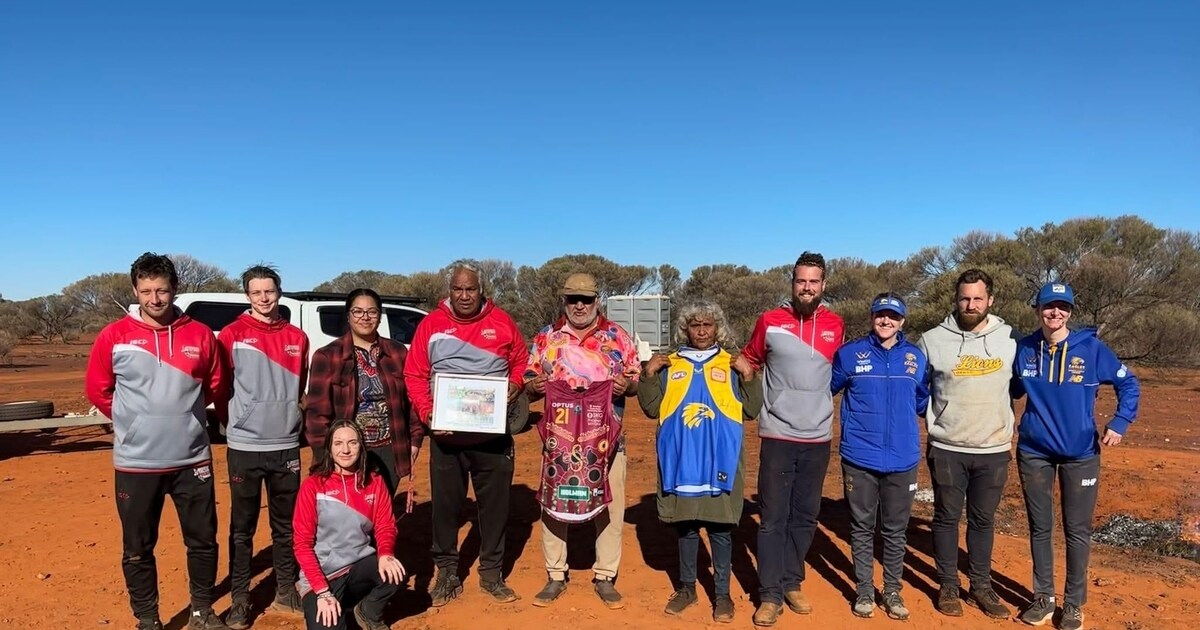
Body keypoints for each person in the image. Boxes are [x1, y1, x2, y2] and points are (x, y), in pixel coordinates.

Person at [85, 252, 229, 630]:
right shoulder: (113, 336)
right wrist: (133, 423)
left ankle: (201, 610)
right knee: (137, 548)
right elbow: (98, 389)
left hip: (192, 459)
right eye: (146, 290)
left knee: (203, 541)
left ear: (175, 290)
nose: (154, 299)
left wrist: (184, 419)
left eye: (162, 290)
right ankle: (147, 620)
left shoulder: (199, 334)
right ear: (135, 290)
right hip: (136, 462)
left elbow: (215, 386)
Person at [1012, 282, 1140, 630]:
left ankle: (1073, 604)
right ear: (1037, 309)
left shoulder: (1092, 349)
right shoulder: (1024, 349)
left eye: (1062, 307)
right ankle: (1043, 598)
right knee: (1040, 527)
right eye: (1049, 306)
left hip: (1080, 453)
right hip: (1034, 452)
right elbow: (1010, 388)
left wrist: (1120, 421)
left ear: (1070, 311)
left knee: (1077, 529)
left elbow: (1128, 384)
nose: (1055, 313)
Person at [403, 261, 529, 606]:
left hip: (493, 437)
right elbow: (414, 375)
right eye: (457, 289)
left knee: (495, 510)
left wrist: (516, 384)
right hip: (447, 438)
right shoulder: (432, 324)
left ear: (481, 290)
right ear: (449, 290)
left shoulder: (502, 321)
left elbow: (521, 361)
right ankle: (446, 574)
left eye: (470, 289)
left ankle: (491, 574)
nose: (463, 295)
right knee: (445, 510)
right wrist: (429, 415)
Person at [732, 251, 844, 627]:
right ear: (792, 283)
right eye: (801, 281)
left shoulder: (836, 325)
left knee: (805, 516)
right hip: (778, 433)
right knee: (773, 517)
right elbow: (749, 358)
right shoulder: (770, 321)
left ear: (823, 285)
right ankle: (770, 594)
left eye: (814, 281)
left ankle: (792, 580)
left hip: (818, 435)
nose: (807, 287)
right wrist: (742, 371)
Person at [637, 300, 762, 624]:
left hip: (719, 461)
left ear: (717, 327)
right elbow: (651, 408)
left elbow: (751, 410)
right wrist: (649, 374)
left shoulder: (732, 363)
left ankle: (722, 595)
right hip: (681, 463)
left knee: (721, 531)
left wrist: (749, 377)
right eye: (695, 325)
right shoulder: (670, 365)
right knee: (687, 528)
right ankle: (687, 588)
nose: (702, 331)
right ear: (686, 329)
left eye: (708, 324)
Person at [525, 272, 640, 609]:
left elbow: (634, 379)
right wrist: (536, 386)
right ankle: (555, 574)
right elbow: (529, 379)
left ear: (596, 300)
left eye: (585, 299)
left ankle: (605, 575)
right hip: (559, 442)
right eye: (572, 299)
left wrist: (625, 387)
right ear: (563, 300)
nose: (579, 305)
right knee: (553, 505)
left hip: (607, 440)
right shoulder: (547, 338)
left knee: (610, 504)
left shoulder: (616, 336)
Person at [916, 268, 1019, 619]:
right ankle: (947, 585)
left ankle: (980, 586)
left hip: (992, 448)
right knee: (945, 518)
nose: (971, 304)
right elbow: (917, 389)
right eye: (964, 298)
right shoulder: (932, 340)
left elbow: (1018, 387)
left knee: (983, 520)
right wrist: (936, 417)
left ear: (990, 299)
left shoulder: (1010, 339)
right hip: (947, 446)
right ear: (955, 299)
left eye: (978, 298)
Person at [216, 264, 309, 628]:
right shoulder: (231, 334)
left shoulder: (297, 338)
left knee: (286, 526)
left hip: (286, 445)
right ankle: (241, 599)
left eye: (269, 291)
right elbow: (221, 389)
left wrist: (288, 417)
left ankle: (286, 589)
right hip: (244, 446)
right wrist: (238, 422)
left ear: (279, 292)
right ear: (247, 296)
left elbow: (298, 388)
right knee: (242, 527)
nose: (264, 298)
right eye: (256, 293)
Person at [830, 293, 929, 620]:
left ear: (902, 321)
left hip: (903, 457)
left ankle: (892, 590)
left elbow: (922, 402)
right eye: (880, 315)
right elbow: (824, 390)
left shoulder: (915, 357)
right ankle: (863, 590)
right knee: (860, 526)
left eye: (893, 316)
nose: (886, 321)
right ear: (872, 317)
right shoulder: (848, 354)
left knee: (895, 528)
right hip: (859, 456)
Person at [305, 288, 422, 502]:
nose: (365, 317)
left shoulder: (397, 352)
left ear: (379, 316)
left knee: (382, 513)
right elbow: (316, 415)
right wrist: (328, 457)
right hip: (347, 452)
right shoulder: (328, 356)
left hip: (390, 449)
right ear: (348, 316)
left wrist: (414, 441)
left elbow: (411, 400)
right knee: (350, 516)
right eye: (358, 311)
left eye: (372, 312)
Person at [293, 420, 405, 630]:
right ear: (329, 448)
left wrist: (386, 554)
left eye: (352, 443)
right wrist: (322, 592)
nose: (345, 450)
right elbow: (302, 544)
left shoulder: (374, 481)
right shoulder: (313, 486)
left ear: (361, 446)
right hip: (322, 576)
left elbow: (386, 525)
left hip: (357, 567)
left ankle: (366, 612)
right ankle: (332, 605)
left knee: (394, 572)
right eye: (338, 443)